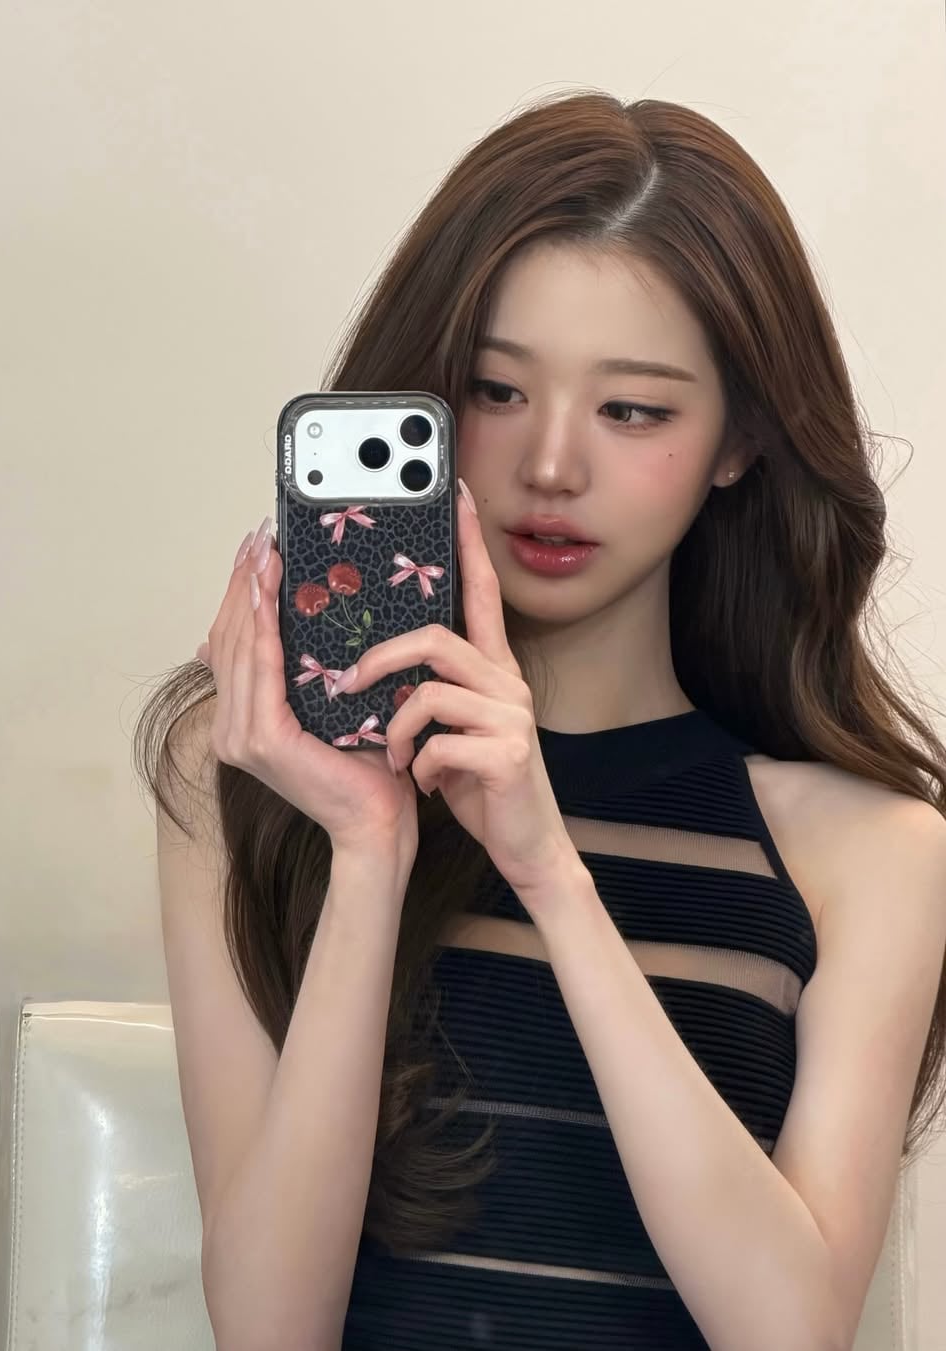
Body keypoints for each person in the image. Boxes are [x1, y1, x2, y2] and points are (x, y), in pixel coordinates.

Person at [133, 88, 946, 1350]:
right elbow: (270, 1327)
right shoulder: (249, 773)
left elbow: (790, 1330)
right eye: (496, 390)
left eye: (634, 410)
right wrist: (369, 851)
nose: (552, 465)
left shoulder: (871, 850)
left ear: (740, 440)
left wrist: (549, 869)